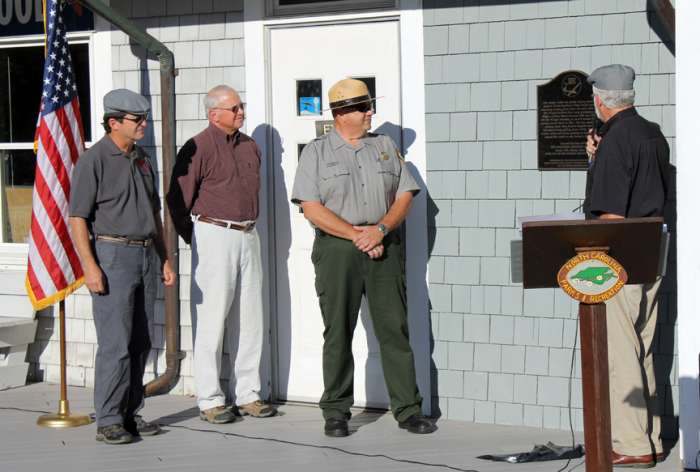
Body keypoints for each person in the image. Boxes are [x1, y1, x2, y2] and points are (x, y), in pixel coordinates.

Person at [291, 78, 435, 437]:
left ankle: (408, 408)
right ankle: (336, 411)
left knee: (394, 330)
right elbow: (310, 207)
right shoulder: (317, 152)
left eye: (370, 106)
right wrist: (358, 235)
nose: (371, 113)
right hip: (339, 248)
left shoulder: (384, 146)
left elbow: (405, 195)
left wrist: (381, 231)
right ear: (341, 114)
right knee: (338, 331)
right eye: (363, 107)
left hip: (383, 245)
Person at [69, 89, 176, 444]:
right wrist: (90, 266)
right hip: (112, 256)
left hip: (146, 255)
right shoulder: (94, 160)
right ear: (114, 122)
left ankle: (130, 412)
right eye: (137, 120)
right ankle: (109, 419)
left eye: (145, 118)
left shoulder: (141, 159)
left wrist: (163, 257)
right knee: (115, 343)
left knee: (140, 341)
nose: (144, 124)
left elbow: (153, 214)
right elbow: (78, 218)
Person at [167, 85, 276, 424]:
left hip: (248, 234)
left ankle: (248, 395)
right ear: (214, 114)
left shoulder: (250, 146)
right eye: (234, 108)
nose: (241, 112)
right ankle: (210, 399)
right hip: (214, 233)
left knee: (250, 319)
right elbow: (175, 199)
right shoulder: (198, 146)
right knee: (212, 319)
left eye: (241, 106)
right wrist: (196, 237)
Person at [584, 64, 670, 468]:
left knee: (620, 353)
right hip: (653, 252)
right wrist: (594, 161)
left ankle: (633, 445)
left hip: (620, 259)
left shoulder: (617, 140)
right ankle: (649, 438)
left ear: (600, 100)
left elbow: (612, 214)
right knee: (643, 349)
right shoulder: (651, 132)